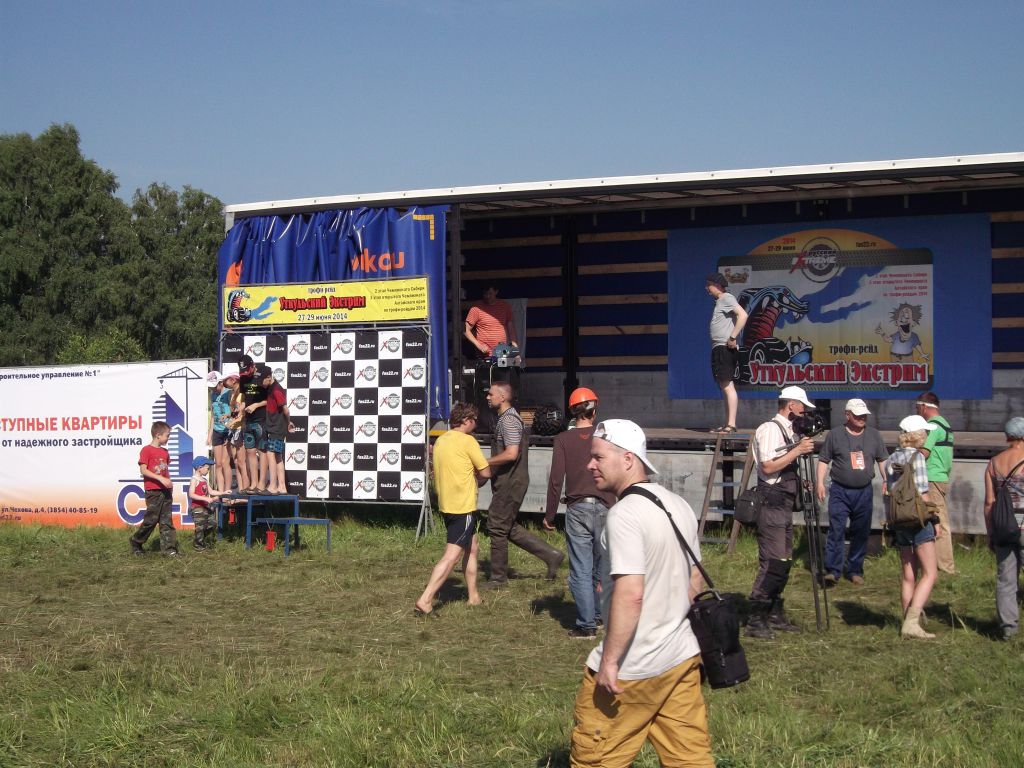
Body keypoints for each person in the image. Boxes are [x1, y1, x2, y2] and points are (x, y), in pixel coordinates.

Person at [570, 419, 713, 768]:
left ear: (628, 459)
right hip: (680, 657)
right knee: (689, 759)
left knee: (595, 758)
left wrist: (610, 662)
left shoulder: (624, 514)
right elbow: (694, 579)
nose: (590, 465)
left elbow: (631, 593)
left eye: (599, 457)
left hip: (634, 667)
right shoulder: (677, 504)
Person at [543, 386, 615, 639]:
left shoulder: (563, 439)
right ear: (594, 410)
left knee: (581, 569)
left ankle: (586, 625)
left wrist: (550, 514)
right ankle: (599, 615)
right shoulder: (605, 437)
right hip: (605, 506)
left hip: (577, 508)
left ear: (573, 412)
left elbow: (556, 480)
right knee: (601, 566)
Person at [745, 385, 816, 639]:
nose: (804, 411)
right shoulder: (769, 429)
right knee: (773, 562)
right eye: (802, 406)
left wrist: (799, 479)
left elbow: (783, 466)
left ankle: (774, 612)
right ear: (792, 405)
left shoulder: (788, 432)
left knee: (784, 560)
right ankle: (756, 618)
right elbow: (767, 466)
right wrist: (797, 451)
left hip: (783, 504)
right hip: (771, 502)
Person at [481, 381, 564, 588]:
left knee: (497, 527)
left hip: (511, 481)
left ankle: (498, 578)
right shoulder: (506, 418)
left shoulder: (509, 420)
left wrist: (485, 462)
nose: (487, 397)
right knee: (506, 526)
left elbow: (511, 453)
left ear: (502, 397)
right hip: (511, 480)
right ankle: (551, 555)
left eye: (491, 394)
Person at [415, 403, 492, 615]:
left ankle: (473, 597)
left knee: (473, 547)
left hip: (447, 505)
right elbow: (486, 472)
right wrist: (476, 474)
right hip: (463, 506)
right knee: (452, 556)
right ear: (466, 420)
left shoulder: (441, 440)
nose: (475, 425)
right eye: (474, 421)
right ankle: (426, 599)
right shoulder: (468, 441)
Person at [815, 398, 888, 586]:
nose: (862, 418)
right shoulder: (835, 434)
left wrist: (887, 479)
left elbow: (882, 459)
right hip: (840, 490)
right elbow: (824, 460)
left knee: (861, 531)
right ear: (847, 415)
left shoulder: (874, 435)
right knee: (836, 529)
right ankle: (833, 570)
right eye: (857, 415)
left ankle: (855, 569)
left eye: (864, 415)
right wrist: (820, 483)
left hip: (864, 491)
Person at [884, 414, 940, 639]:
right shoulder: (918, 458)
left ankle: (906, 621)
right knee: (930, 573)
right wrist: (935, 520)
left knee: (908, 574)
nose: (926, 436)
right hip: (918, 519)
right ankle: (912, 622)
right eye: (924, 432)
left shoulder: (891, 458)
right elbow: (923, 494)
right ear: (917, 435)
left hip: (899, 520)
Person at [983, 416, 1024, 640]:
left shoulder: (994, 463)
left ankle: (1008, 629)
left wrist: (990, 533)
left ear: (1008, 436)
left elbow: (989, 502)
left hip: (1004, 527)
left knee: (1006, 580)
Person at [916, 392, 956, 574]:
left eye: (917, 408)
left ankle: (945, 566)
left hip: (932, 478)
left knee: (938, 521)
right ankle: (937, 563)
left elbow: (924, 452)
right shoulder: (945, 424)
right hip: (941, 477)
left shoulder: (932, 426)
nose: (918, 412)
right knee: (937, 520)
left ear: (924, 406)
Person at [705, 272, 747, 434]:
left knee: (728, 385)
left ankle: (731, 425)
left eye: (709, 285)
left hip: (725, 347)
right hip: (719, 347)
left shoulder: (726, 298)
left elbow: (743, 315)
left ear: (717, 285)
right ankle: (727, 423)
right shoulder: (721, 301)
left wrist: (732, 337)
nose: (707, 288)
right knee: (724, 385)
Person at [129, 421, 179, 556]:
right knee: (151, 520)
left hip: (166, 491)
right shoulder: (146, 450)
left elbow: (164, 470)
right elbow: (144, 470)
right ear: (158, 435)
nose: (168, 438)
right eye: (167, 435)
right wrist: (160, 479)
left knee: (166, 521)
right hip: (153, 491)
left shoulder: (165, 452)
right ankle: (136, 541)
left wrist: (168, 483)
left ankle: (169, 550)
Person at [238, 356, 269, 493]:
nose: (246, 373)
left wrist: (256, 405)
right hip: (248, 420)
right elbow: (246, 398)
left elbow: (270, 399)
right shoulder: (243, 378)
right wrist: (240, 409)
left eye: (247, 370)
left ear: (253, 365)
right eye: (243, 371)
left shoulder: (264, 372)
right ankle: (253, 484)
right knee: (250, 451)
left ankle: (261, 484)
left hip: (261, 419)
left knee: (262, 450)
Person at [464, 283, 518, 359]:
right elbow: (466, 330)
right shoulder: (476, 308)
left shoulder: (505, 306)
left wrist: (515, 350)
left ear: (496, 292)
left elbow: (511, 329)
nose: (487, 296)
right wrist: (479, 346)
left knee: (512, 365)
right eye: (485, 294)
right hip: (485, 354)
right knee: (487, 367)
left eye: (490, 293)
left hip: (502, 352)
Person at [189, 456, 228, 551]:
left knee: (213, 524)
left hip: (206, 507)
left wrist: (223, 492)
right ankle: (199, 547)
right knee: (200, 527)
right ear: (199, 468)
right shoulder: (194, 479)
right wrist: (205, 498)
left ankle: (199, 540)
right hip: (197, 508)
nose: (208, 470)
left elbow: (211, 491)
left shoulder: (205, 480)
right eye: (207, 468)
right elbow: (191, 494)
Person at [208, 371, 237, 494]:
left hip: (227, 430)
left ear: (221, 383)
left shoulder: (229, 393)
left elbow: (235, 411)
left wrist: (231, 428)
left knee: (225, 462)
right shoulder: (212, 395)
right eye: (211, 387)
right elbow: (213, 416)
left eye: (214, 386)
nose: (213, 389)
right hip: (217, 431)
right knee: (218, 464)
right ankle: (220, 492)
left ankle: (228, 491)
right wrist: (209, 435)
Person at [263, 367, 291, 495]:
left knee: (270, 453)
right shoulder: (270, 388)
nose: (261, 384)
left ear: (269, 377)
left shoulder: (276, 390)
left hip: (278, 427)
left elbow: (285, 409)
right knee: (278, 456)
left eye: (262, 380)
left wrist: (289, 422)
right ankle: (282, 486)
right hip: (275, 426)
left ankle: (273, 486)